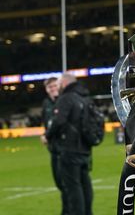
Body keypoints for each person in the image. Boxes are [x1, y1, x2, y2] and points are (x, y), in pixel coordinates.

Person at [45, 72, 94, 215]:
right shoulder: (84, 97)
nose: (58, 87)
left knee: (73, 188)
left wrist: (47, 136)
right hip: (85, 149)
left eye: (59, 84)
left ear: (65, 83)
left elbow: (58, 121)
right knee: (85, 185)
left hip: (70, 149)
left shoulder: (66, 98)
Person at [41, 77, 67, 215]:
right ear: (46, 90)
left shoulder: (65, 101)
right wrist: (46, 135)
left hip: (67, 149)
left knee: (67, 184)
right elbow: (47, 123)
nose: (53, 89)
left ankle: (67, 211)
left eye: (54, 86)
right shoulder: (46, 104)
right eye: (50, 87)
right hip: (54, 149)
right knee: (59, 183)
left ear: (59, 86)